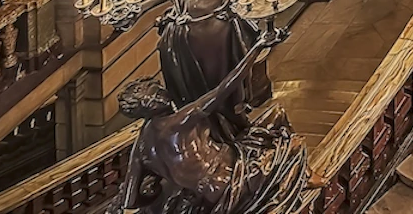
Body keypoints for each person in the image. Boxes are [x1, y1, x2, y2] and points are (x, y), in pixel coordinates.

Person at [118, 26, 305, 214]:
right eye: (154, 96)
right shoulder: (177, 123)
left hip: (209, 190)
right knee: (293, 145)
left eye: (157, 88)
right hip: (233, 180)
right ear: (146, 108)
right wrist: (257, 47)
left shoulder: (142, 144)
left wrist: (153, 191)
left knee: (274, 117)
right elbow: (224, 89)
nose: (162, 94)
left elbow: (130, 199)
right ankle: (305, 179)